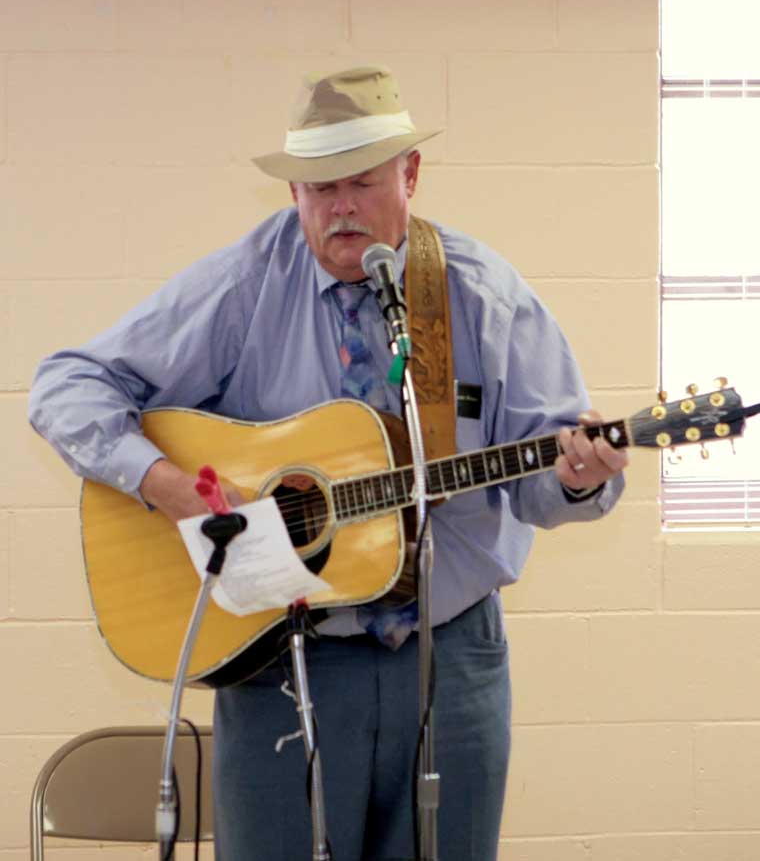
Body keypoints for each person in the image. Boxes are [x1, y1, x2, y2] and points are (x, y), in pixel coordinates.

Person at [28, 65, 627, 860]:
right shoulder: (245, 286)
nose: (340, 207)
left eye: (361, 183)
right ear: (292, 196)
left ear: (410, 176)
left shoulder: (482, 296)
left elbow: (544, 483)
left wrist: (578, 477)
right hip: (282, 662)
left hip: (450, 660)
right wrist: (168, 486)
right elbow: (66, 383)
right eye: (318, 188)